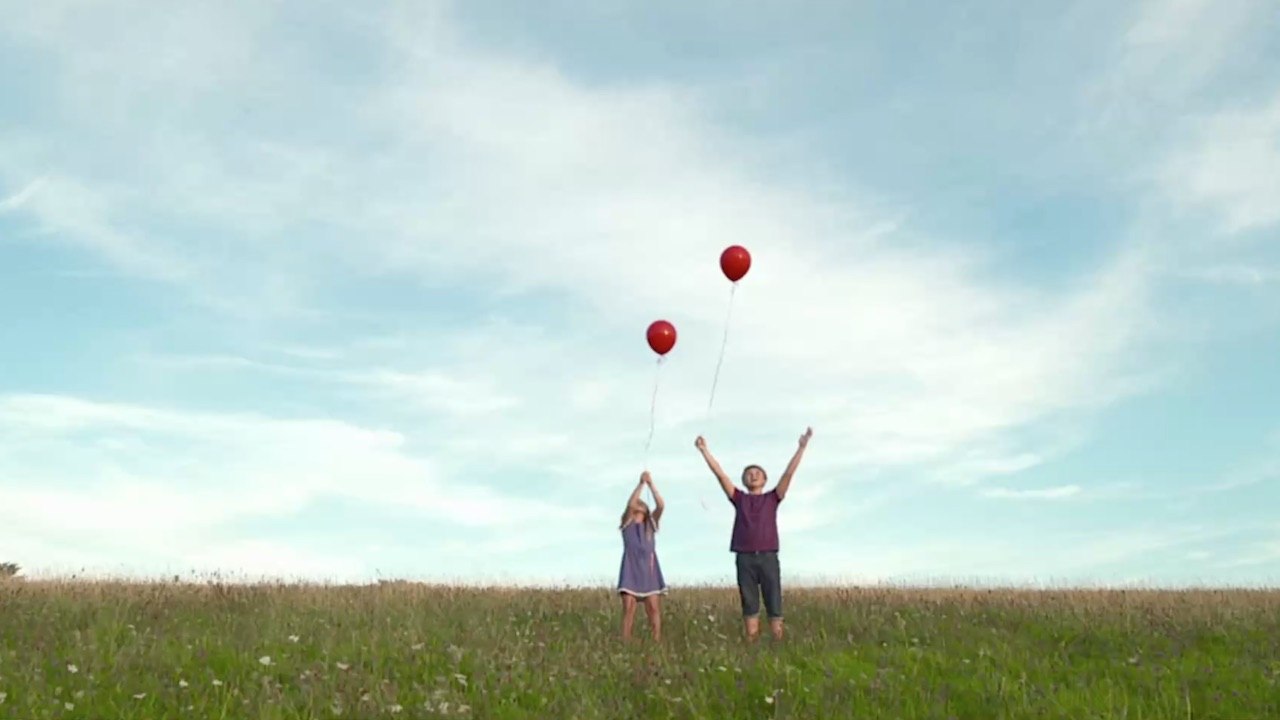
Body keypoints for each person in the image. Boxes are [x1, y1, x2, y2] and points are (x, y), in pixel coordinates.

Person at [695, 427, 812, 642]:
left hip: (768, 556)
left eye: (757, 472)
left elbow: (788, 473)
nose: (753, 474)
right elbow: (720, 474)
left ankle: (778, 644)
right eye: (749, 473)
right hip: (745, 557)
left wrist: (801, 447)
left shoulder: (772, 498)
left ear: (765, 479)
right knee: (749, 603)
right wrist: (704, 451)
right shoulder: (739, 498)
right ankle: (752, 645)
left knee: (774, 601)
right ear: (744, 480)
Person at [616, 470, 667, 641]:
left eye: (641, 503)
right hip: (631, 569)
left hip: (649, 570)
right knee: (629, 608)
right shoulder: (627, 523)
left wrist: (651, 484)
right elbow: (630, 505)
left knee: (653, 607)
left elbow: (660, 505)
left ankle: (656, 641)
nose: (638, 504)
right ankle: (625, 641)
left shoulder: (650, 525)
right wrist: (640, 484)